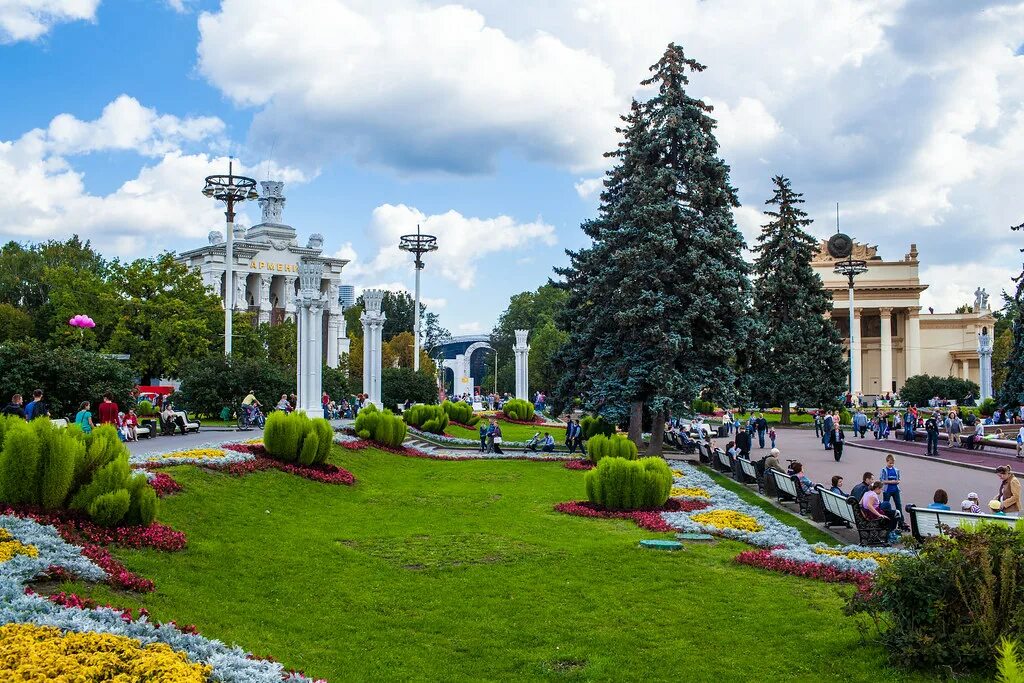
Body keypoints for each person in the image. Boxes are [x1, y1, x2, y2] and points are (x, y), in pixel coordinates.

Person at [879, 454, 905, 527]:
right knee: (886, 505)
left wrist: (896, 481)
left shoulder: (896, 470)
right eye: (890, 463)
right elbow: (882, 480)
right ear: (887, 462)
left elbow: (898, 480)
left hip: (895, 490)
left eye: (893, 463)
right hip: (887, 490)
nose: (891, 464)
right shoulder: (884, 470)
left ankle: (901, 521)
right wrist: (891, 482)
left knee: (898, 505)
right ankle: (884, 520)